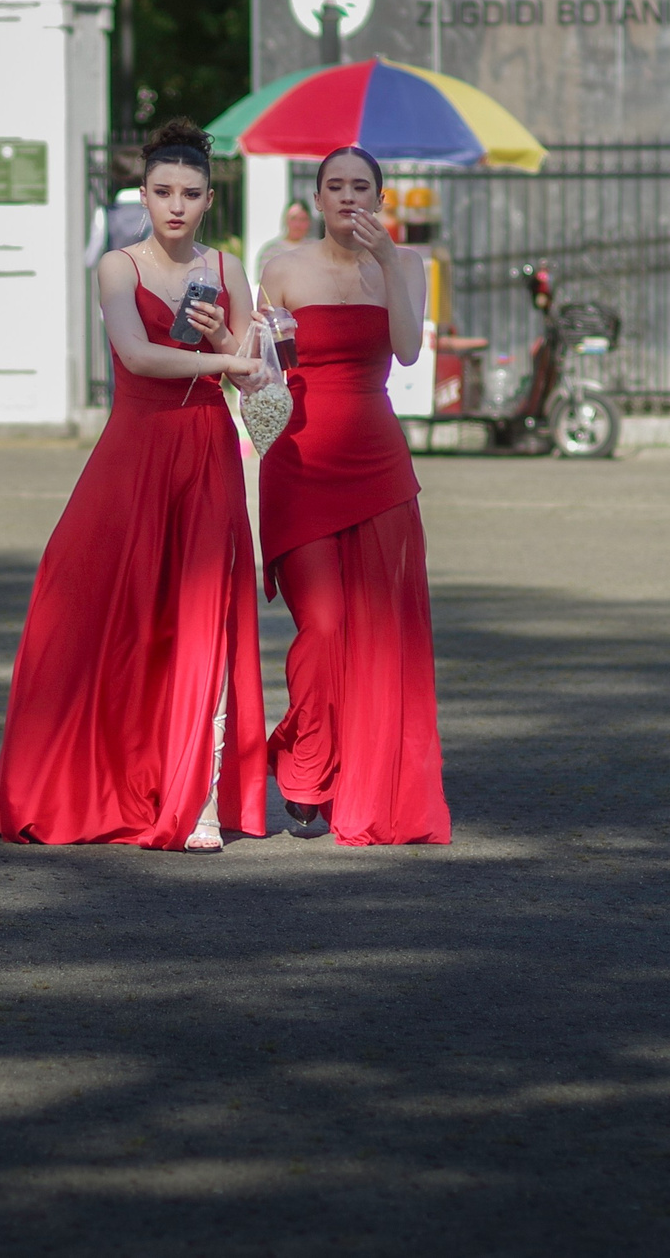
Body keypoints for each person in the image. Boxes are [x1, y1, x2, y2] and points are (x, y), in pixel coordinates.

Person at [0, 119, 271, 851]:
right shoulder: (118, 265)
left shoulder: (229, 268)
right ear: (143, 193)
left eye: (192, 193)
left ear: (209, 199)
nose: (177, 205)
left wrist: (222, 346)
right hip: (133, 449)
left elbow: (257, 371)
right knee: (84, 596)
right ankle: (73, 778)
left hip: (205, 450)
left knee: (199, 609)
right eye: (164, 190)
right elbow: (137, 356)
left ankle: (197, 798)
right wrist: (223, 361)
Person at [255, 145, 453, 845]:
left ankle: (353, 776)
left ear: (379, 196)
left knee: (378, 631)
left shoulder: (404, 265)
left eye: (360, 186)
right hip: (300, 459)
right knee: (327, 625)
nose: (347, 196)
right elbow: (264, 371)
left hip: (377, 460)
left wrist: (393, 263)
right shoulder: (280, 267)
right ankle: (305, 767)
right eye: (334, 185)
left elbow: (405, 351)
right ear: (316, 196)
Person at [253, 200, 313, 278]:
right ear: (285, 220)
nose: (297, 224)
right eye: (293, 218)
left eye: (302, 219)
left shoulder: (317, 249)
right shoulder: (270, 252)